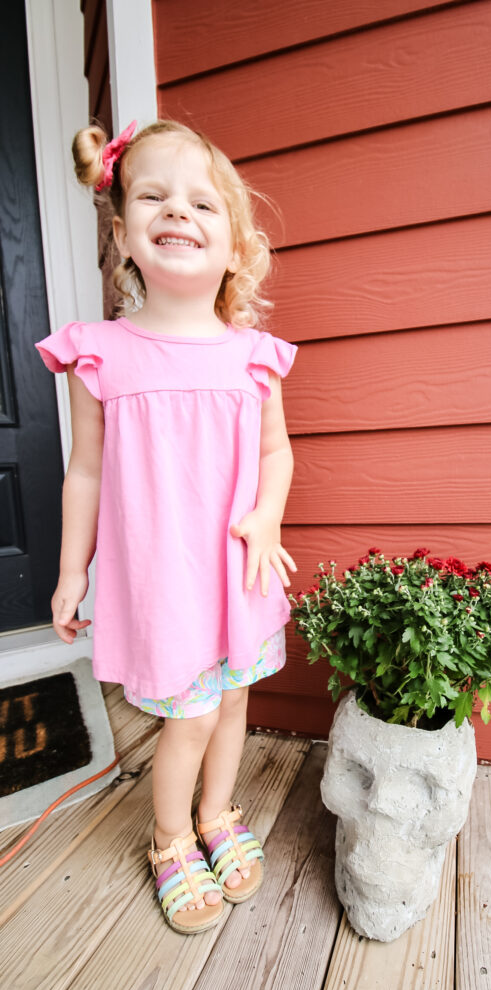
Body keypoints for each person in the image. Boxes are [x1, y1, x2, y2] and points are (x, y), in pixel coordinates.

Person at [35, 119, 298, 935]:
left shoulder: (252, 356)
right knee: (187, 715)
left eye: (200, 203)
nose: (177, 212)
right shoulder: (101, 355)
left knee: (232, 704)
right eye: (153, 196)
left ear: (233, 245)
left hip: (236, 571)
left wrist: (265, 515)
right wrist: (73, 570)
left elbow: (276, 451)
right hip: (163, 578)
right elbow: (83, 470)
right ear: (123, 235)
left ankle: (217, 814)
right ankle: (170, 836)